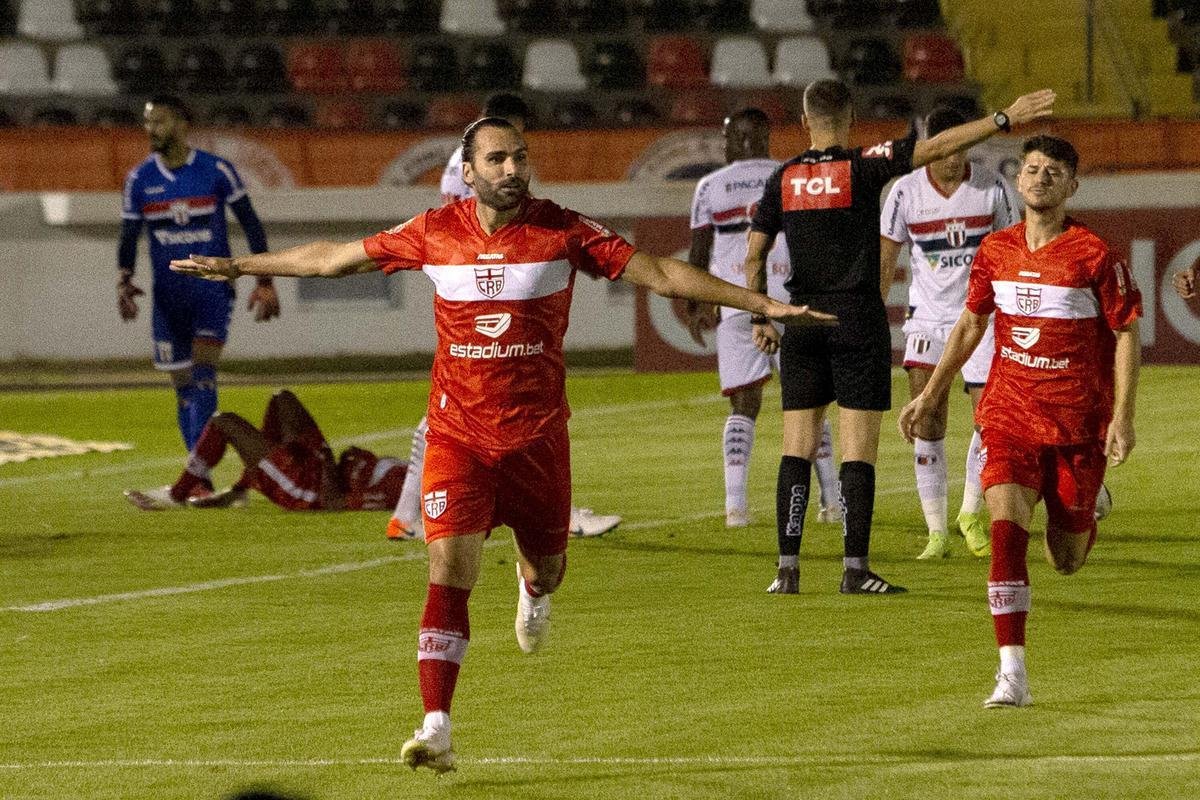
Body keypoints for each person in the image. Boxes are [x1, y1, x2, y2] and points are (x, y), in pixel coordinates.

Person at [170, 117, 836, 773]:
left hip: (538, 442)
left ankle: (533, 588)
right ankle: (436, 726)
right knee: (448, 573)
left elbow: (660, 272)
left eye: (520, 157)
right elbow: (330, 259)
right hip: (458, 438)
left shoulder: (562, 230)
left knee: (546, 568)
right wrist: (238, 264)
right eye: (497, 159)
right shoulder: (433, 233)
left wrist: (762, 305)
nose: (513, 169)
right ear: (468, 173)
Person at [747, 80, 1055, 595]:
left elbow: (754, 253)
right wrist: (1005, 117)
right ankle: (854, 569)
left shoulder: (783, 177)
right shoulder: (864, 165)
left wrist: (761, 317)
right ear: (848, 121)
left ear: (803, 122)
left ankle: (786, 569)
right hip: (854, 320)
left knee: (796, 448)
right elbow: (934, 147)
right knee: (856, 452)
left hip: (799, 321)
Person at [899, 135, 1142, 708]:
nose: (1039, 178)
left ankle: (1091, 503)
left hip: (1077, 424)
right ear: (1019, 181)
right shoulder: (996, 251)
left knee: (1066, 558)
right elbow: (969, 325)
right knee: (1006, 532)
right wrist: (932, 395)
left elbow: (1127, 334)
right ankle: (1013, 674)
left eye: (1053, 171)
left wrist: (1123, 419)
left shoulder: (1094, 254)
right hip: (1007, 415)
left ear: (1072, 185)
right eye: (1031, 169)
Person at [387, 91, 621, 540]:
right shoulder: (470, 164)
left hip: (472, 279)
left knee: (453, 409)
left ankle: (406, 515)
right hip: (478, 284)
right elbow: (476, 224)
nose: (514, 157)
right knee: (464, 412)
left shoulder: (482, 160)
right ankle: (552, 511)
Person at [686, 108, 841, 528]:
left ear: (733, 139)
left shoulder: (710, 187)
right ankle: (831, 502)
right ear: (768, 137)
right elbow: (817, 237)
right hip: (791, 298)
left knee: (744, 402)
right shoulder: (792, 174)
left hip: (737, 300)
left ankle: (736, 506)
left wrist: (694, 303)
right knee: (809, 398)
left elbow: (700, 252)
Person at [879, 106, 1021, 560]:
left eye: (962, 147)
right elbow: (886, 263)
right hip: (927, 320)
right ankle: (936, 533)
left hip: (982, 317)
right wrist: (872, 321)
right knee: (927, 417)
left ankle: (969, 513)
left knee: (990, 420)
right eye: (945, 148)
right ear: (929, 144)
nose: (953, 158)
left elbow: (1015, 253)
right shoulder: (903, 192)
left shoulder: (992, 187)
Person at [118, 94, 280, 465]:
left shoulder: (215, 170)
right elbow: (128, 236)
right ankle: (200, 473)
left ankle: (197, 473)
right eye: (147, 122)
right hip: (168, 296)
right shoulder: (139, 180)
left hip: (212, 288)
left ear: (181, 124)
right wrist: (123, 280)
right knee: (183, 388)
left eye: (158, 121)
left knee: (204, 374)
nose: (150, 129)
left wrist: (264, 279)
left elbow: (250, 223)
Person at [124, 389, 408, 514]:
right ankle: (242, 489)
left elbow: (335, 502)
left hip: (305, 490)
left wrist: (327, 460)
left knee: (224, 421)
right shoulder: (414, 470)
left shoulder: (401, 492)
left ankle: (177, 495)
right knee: (281, 398)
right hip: (317, 466)